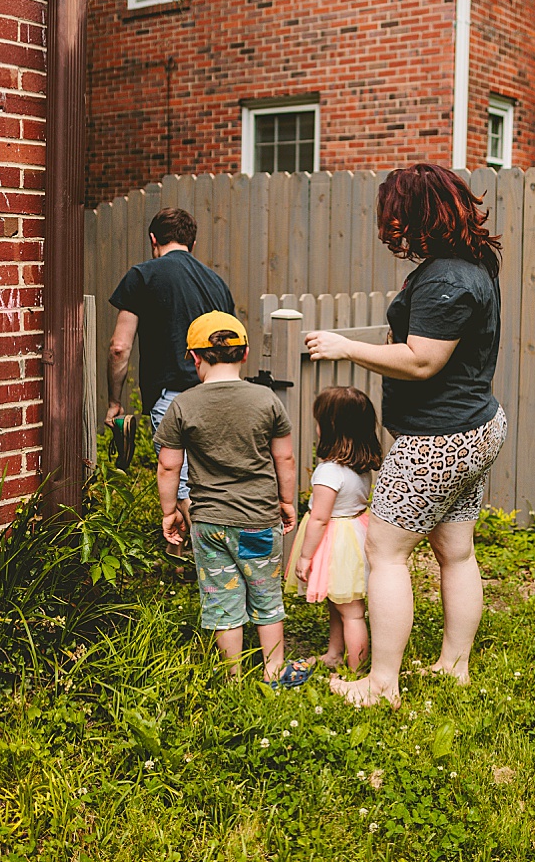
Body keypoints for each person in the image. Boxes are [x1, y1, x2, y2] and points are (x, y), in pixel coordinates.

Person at [303, 163, 506, 707]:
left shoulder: (447, 278)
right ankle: (452, 665)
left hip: (440, 439)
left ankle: (381, 683)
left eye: (395, 216)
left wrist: (346, 346)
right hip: (476, 427)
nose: (390, 227)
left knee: (384, 552)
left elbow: (421, 360)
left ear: (419, 213)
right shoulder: (472, 263)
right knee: (456, 551)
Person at [154, 311, 306, 685]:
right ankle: (273, 671)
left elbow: (169, 467)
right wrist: (287, 503)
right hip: (258, 519)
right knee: (266, 592)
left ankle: (232, 678)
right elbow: (284, 457)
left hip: (208, 524)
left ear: (194, 357)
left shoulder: (183, 405)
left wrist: (169, 511)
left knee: (223, 598)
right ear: (245, 353)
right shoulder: (266, 399)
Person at [106, 207, 235, 551]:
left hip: (173, 397)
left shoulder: (143, 275)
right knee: (210, 482)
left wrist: (115, 401)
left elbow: (120, 347)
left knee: (180, 489)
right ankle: (191, 559)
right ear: (192, 241)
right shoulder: (217, 283)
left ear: (153, 240)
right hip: (218, 395)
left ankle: (220, 569)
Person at [284, 386, 382, 672]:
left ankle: (356, 670)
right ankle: (334, 654)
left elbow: (319, 518)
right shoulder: (359, 465)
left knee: (351, 612)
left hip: (336, 542)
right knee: (340, 602)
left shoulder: (329, 471)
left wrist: (304, 556)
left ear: (329, 428)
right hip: (355, 532)